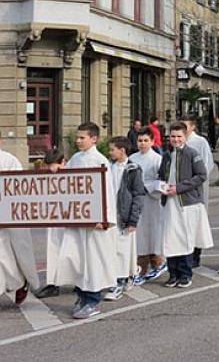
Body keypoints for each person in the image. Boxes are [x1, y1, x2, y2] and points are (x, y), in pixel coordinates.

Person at [55, 122, 118, 319]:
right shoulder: (75, 158)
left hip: (94, 221)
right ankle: (81, 295)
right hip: (78, 218)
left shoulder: (100, 161)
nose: (78, 141)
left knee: (93, 260)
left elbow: (106, 191)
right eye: (77, 137)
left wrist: (104, 218)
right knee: (77, 259)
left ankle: (92, 299)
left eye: (82, 138)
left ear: (94, 139)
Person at [158, 122, 210, 288]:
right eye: (173, 136)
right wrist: (162, 186)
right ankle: (173, 273)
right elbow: (162, 175)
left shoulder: (192, 154)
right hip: (169, 202)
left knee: (185, 239)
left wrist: (179, 188)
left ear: (185, 137)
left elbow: (202, 175)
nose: (176, 139)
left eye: (179, 136)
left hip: (186, 202)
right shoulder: (167, 155)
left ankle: (185, 274)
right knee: (170, 238)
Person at [104, 137, 146, 301]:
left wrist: (133, 219)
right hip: (111, 215)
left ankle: (120, 281)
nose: (110, 152)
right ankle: (126, 275)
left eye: (112, 149)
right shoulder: (108, 166)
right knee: (113, 250)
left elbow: (138, 195)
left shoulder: (133, 169)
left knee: (123, 250)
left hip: (124, 215)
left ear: (122, 151)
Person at [0, 136, 39, 306]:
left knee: (11, 255)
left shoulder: (9, 160)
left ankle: (22, 282)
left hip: (8, 214)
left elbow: (19, 187)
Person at [129, 129, 167, 284]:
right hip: (136, 201)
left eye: (145, 140)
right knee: (140, 232)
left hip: (152, 200)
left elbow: (162, 180)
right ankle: (140, 263)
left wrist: (147, 187)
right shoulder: (132, 159)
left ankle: (157, 259)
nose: (142, 144)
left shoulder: (158, 159)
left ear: (152, 142)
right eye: (140, 141)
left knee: (153, 230)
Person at [180, 115, 215, 268]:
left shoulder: (200, 142)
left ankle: (195, 255)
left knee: (196, 221)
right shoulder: (178, 141)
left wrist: (196, 181)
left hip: (195, 188)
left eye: (185, 125)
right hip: (180, 188)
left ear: (192, 127)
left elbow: (207, 164)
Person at [34, 150, 67, 298]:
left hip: (68, 219)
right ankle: (53, 283)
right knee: (53, 250)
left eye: (54, 167)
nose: (52, 171)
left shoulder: (73, 175)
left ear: (63, 163)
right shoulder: (47, 176)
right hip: (55, 218)